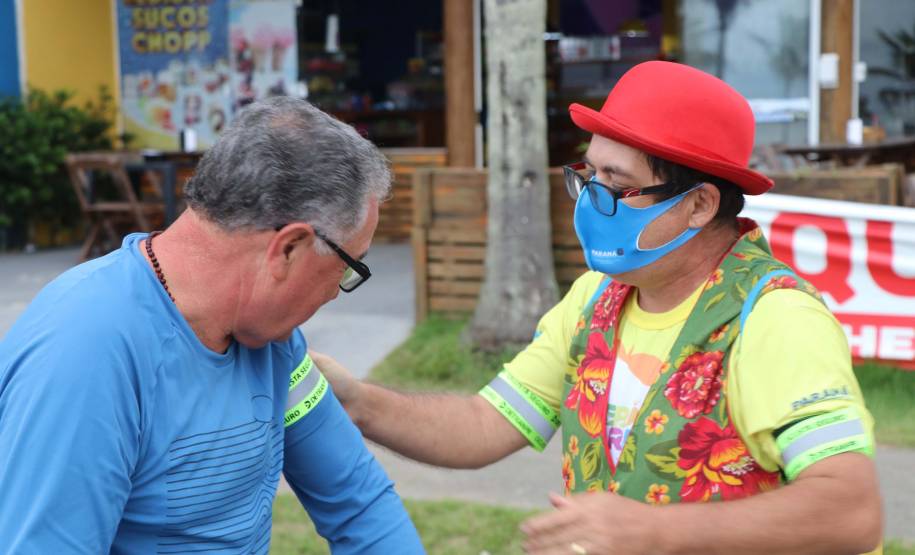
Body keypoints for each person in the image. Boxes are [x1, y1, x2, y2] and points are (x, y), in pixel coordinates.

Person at [313, 61, 883, 555]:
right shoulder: (597, 298)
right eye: (588, 175)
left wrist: (656, 533)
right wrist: (357, 402)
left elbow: (851, 510)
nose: (590, 200)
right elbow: (487, 424)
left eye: (617, 183)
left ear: (699, 205)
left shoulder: (775, 319)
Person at [0, 97, 424, 554]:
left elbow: (360, 506)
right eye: (347, 266)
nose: (333, 293)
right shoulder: (85, 350)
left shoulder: (270, 341)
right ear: (288, 248)